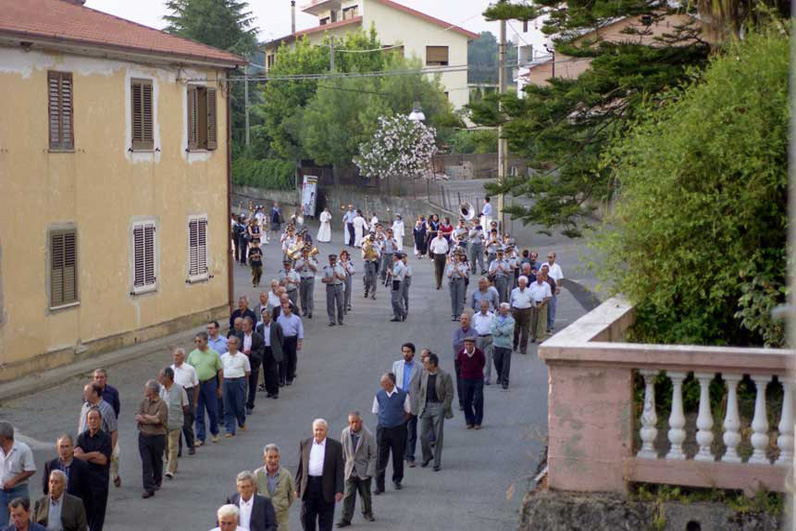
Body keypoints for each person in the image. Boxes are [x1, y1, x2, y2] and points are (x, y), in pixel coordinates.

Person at [295, 419, 345, 531]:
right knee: (306, 518)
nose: (318, 432)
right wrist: (297, 487)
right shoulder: (305, 443)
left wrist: (339, 490)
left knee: (326, 521)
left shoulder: (336, 446)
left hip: (326, 487)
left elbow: (340, 470)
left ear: (326, 431)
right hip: (308, 486)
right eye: (316, 430)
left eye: (321, 430)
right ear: (313, 430)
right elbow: (300, 467)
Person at [412, 353, 454, 471]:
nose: (423, 364)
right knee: (423, 436)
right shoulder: (424, 374)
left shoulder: (445, 376)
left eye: (426, 363)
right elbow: (421, 391)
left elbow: (449, 394)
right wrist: (421, 404)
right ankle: (427, 456)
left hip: (438, 406)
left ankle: (437, 463)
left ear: (433, 364)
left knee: (438, 436)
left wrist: (443, 407)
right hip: (426, 407)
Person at [371, 373, 410, 494]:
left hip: (398, 430)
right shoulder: (379, 395)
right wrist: (385, 420)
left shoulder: (403, 395)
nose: (382, 384)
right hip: (383, 430)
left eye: (384, 382)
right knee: (381, 458)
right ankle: (379, 485)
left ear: (391, 382)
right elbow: (376, 411)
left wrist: (399, 422)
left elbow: (408, 412)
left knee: (398, 456)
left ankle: (397, 479)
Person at [337, 412, 376, 528]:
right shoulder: (345, 433)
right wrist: (343, 467)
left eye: (356, 422)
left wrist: (369, 472)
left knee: (365, 494)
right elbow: (342, 451)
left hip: (363, 471)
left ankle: (367, 512)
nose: (354, 424)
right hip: (350, 470)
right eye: (351, 422)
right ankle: (345, 518)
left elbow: (373, 455)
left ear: (361, 422)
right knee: (348, 495)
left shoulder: (368, 435)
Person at [74, 409, 111, 531]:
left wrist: (84, 455)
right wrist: (93, 454)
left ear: (100, 420)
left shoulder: (106, 438)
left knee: (97, 521)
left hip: (99, 485)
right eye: (90, 418)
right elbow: (76, 457)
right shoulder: (81, 438)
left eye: (95, 418)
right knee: (84, 519)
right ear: (87, 421)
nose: (93, 421)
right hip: (84, 485)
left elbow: (102, 460)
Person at [187, 332, 223, 446]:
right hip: (197, 385)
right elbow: (189, 370)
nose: (197, 343)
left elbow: (220, 371)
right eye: (196, 341)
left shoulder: (214, 354)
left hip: (210, 383)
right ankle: (200, 437)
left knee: (212, 410)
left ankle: (214, 431)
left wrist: (220, 387)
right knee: (198, 411)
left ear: (206, 341)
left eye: (200, 341)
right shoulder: (192, 355)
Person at [135, 380, 167, 499]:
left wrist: (146, 417)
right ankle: (148, 488)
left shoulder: (162, 404)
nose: (145, 391)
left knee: (156, 460)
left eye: (146, 389)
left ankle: (157, 480)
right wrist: (150, 418)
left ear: (152, 391)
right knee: (146, 462)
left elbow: (158, 420)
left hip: (157, 437)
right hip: (144, 436)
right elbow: (137, 416)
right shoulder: (143, 402)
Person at [0, 423, 36, 527]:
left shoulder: (23, 449)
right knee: (2, 524)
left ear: (3, 438)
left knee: (22, 522)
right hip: (1, 492)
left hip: (19, 490)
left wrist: (14, 480)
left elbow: (31, 469)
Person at [89, 370, 120, 489]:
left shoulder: (112, 392)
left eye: (101, 377)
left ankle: (115, 474)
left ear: (106, 379)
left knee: (114, 455)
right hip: (95, 433)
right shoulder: (89, 394)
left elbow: (117, 409)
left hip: (110, 430)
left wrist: (110, 421)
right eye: (96, 377)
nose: (99, 380)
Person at [254, 445, 296, 531]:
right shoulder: (257, 474)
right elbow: (253, 495)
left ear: (279, 457)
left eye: (275, 457)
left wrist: (282, 505)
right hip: (263, 519)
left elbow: (291, 495)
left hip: (281, 519)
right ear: (265, 458)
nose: (273, 460)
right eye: (270, 457)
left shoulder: (286, 475)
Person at [391, 343, 420, 468]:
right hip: (400, 401)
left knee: (411, 430)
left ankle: (410, 456)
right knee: (399, 429)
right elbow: (392, 383)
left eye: (408, 351)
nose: (406, 354)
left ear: (413, 353)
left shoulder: (419, 367)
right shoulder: (397, 365)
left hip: (412, 400)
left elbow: (421, 385)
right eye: (404, 351)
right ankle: (402, 452)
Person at [42, 435, 90, 507]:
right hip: (55, 505)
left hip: (75, 507)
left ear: (72, 448)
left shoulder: (82, 466)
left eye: (67, 446)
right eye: (62, 446)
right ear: (57, 448)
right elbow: (45, 489)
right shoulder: (50, 465)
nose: (64, 450)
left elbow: (87, 491)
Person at [158, 367, 188, 479]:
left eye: (162, 376)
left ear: (169, 377)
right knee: (165, 446)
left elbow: (185, 406)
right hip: (162, 424)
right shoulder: (160, 390)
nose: (160, 378)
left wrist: (178, 416)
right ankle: (172, 463)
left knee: (172, 446)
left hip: (175, 423)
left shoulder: (180, 389)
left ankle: (169, 470)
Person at [77, 384, 117, 462]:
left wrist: (110, 452)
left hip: (98, 446)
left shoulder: (107, 409)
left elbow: (114, 431)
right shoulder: (85, 406)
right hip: (83, 444)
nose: (84, 394)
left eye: (86, 392)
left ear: (95, 393)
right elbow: (80, 424)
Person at [221, 337, 251, 437]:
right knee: (227, 406)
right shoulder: (223, 357)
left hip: (239, 381)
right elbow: (221, 370)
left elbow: (247, 371)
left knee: (239, 405)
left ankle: (241, 421)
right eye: (227, 343)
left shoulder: (243, 357)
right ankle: (230, 429)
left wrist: (241, 380)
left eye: (230, 343)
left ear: (236, 345)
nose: (228, 345)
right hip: (227, 381)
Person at [171, 348, 199, 457]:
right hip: (175, 394)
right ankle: (178, 448)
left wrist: (195, 402)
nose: (175, 358)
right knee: (176, 423)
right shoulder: (171, 369)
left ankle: (191, 445)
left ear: (183, 357)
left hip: (187, 392)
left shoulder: (190, 369)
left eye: (178, 355)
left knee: (186, 424)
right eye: (174, 355)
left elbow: (196, 385)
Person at [455, 338, 486, 429]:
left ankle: (478, 421)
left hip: (477, 378)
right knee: (466, 400)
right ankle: (469, 421)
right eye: (466, 344)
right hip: (465, 379)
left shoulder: (479, 353)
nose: (468, 346)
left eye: (470, 344)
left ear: (474, 345)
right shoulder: (461, 354)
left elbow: (482, 362)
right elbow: (459, 363)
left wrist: (477, 370)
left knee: (478, 399)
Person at [237, 317, 264, 414]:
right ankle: (241, 404)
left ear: (251, 325)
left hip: (253, 364)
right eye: (242, 325)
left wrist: (250, 353)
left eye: (245, 325)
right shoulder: (239, 336)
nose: (243, 327)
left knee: (252, 386)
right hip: (241, 365)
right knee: (242, 386)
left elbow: (260, 352)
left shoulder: (258, 337)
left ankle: (250, 405)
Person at [255, 309, 283, 399]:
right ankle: (269, 390)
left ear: (270, 316)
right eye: (263, 317)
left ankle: (275, 390)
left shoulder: (276, 326)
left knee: (273, 370)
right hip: (265, 350)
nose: (264, 319)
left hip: (273, 349)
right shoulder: (260, 328)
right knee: (266, 370)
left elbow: (280, 339)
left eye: (266, 317)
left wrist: (278, 348)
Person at [451, 313, 475, 411]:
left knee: (471, 380)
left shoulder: (474, 331)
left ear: (469, 321)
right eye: (462, 319)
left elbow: (474, 341)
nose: (464, 321)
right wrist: (467, 342)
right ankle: (462, 402)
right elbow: (455, 343)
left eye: (466, 319)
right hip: (459, 359)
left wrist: (463, 342)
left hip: (471, 359)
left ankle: (471, 399)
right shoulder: (456, 332)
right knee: (460, 381)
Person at [276, 302, 303, 386]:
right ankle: (281, 379)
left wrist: (299, 343)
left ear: (290, 309)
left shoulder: (296, 319)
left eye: (286, 308)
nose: (284, 310)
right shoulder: (279, 318)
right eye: (283, 308)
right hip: (283, 340)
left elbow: (300, 331)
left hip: (292, 339)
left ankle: (289, 377)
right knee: (282, 360)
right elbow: (277, 330)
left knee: (291, 359)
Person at [491, 303, 516, 389]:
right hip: (497, 344)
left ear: (507, 310)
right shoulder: (495, 319)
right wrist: (500, 330)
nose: (502, 310)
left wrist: (499, 329)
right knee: (496, 362)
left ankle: (505, 381)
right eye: (501, 308)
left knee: (506, 364)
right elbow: (493, 330)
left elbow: (507, 331)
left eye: (504, 309)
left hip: (507, 345)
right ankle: (500, 375)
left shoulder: (511, 320)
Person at [472, 300, 495, 385]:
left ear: (488, 307)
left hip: (488, 338)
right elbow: (473, 327)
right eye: (481, 307)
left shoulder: (492, 316)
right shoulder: (475, 316)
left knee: (487, 359)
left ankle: (487, 378)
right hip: (478, 338)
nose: (483, 308)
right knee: (477, 359)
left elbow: (495, 327)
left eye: (485, 307)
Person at [510, 276, 534, 355]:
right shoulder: (514, 291)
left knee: (525, 330)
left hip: (526, 311)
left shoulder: (530, 292)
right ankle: (515, 344)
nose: (521, 285)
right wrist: (511, 310)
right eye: (520, 283)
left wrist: (532, 309)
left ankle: (523, 348)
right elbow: (511, 301)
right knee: (516, 330)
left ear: (526, 284)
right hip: (516, 311)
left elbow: (532, 301)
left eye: (523, 283)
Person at [321, 254, 346, 327]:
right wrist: (330, 279)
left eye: (334, 260)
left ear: (336, 260)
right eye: (331, 260)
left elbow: (344, 277)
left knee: (340, 304)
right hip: (330, 286)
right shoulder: (326, 268)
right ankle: (332, 320)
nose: (332, 261)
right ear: (329, 260)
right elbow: (323, 279)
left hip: (339, 286)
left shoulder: (340, 267)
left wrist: (338, 276)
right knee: (330, 304)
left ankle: (340, 319)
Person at [529, 272, 553, 342]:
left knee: (541, 321)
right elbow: (530, 294)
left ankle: (540, 337)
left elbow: (548, 296)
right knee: (533, 320)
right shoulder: (532, 284)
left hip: (542, 303)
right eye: (537, 275)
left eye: (539, 275)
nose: (538, 277)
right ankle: (533, 336)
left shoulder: (546, 285)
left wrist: (541, 304)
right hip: (533, 303)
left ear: (542, 276)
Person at [295, 248, 318, 319]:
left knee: (309, 296)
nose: (305, 254)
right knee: (303, 295)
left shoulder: (312, 259)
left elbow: (315, 269)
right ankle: (304, 310)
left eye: (307, 252)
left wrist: (309, 264)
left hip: (310, 278)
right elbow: (296, 269)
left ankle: (310, 311)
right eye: (304, 252)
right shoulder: (299, 260)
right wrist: (302, 265)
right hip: (302, 279)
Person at [544, 252, 564, 333]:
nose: (549, 259)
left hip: (553, 288)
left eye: (551, 257)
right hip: (544, 289)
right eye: (548, 257)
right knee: (545, 307)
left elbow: (559, 278)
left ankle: (550, 324)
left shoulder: (557, 267)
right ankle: (544, 324)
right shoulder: (544, 265)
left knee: (552, 307)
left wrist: (558, 288)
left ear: (554, 258)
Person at [446, 252, 469, 321]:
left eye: (457, 256)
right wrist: (453, 271)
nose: (456, 258)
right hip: (453, 281)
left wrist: (458, 270)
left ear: (459, 257)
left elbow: (464, 275)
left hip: (460, 281)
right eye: (455, 256)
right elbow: (448, 275)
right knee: (453, 298)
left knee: (460, 298)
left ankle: (459, 314)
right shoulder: (450, 265)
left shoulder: (463, 265)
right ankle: (454, 314)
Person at [387, 253, 406, 323]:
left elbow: (394, 274)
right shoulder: (397, 264)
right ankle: (397, 316)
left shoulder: (399, 265)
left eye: (394, 256)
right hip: (395, 282)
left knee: (395, 301)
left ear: (397, 257)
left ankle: (403, 312)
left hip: (397, 282)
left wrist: (389, 271)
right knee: (393, 300)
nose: (393, 257)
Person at [362, 234, 380, 300]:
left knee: (374, 280)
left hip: (374, 263)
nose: (372, 240)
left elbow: (379, 256)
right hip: (367, 263)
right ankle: (366, 290)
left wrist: (375, 254)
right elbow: (363, 257)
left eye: (373, 238)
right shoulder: (365, 245)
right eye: (370, 238)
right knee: (367, 279)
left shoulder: (376, 245)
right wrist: (367, 252)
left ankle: (373, 294)